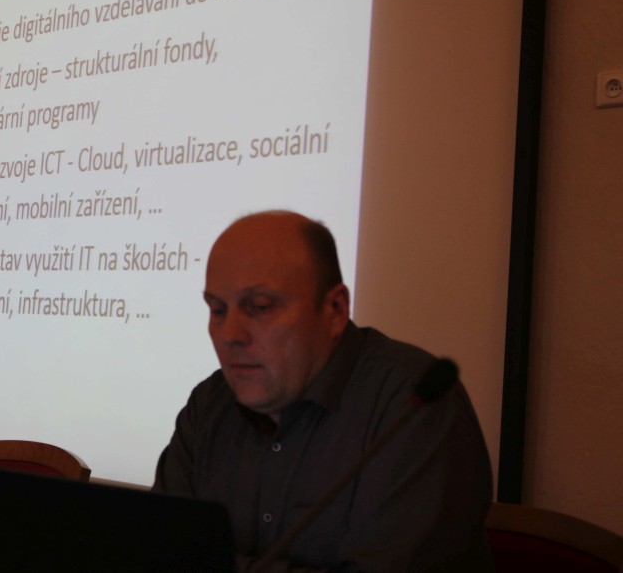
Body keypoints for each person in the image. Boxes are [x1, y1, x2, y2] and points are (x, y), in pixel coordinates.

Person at [153, 211, 493, 572]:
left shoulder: (413, 404)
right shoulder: (209, 404)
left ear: (335, 310)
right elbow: (157, 552)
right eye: (218, 310)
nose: (230, 334)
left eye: (261, 307)